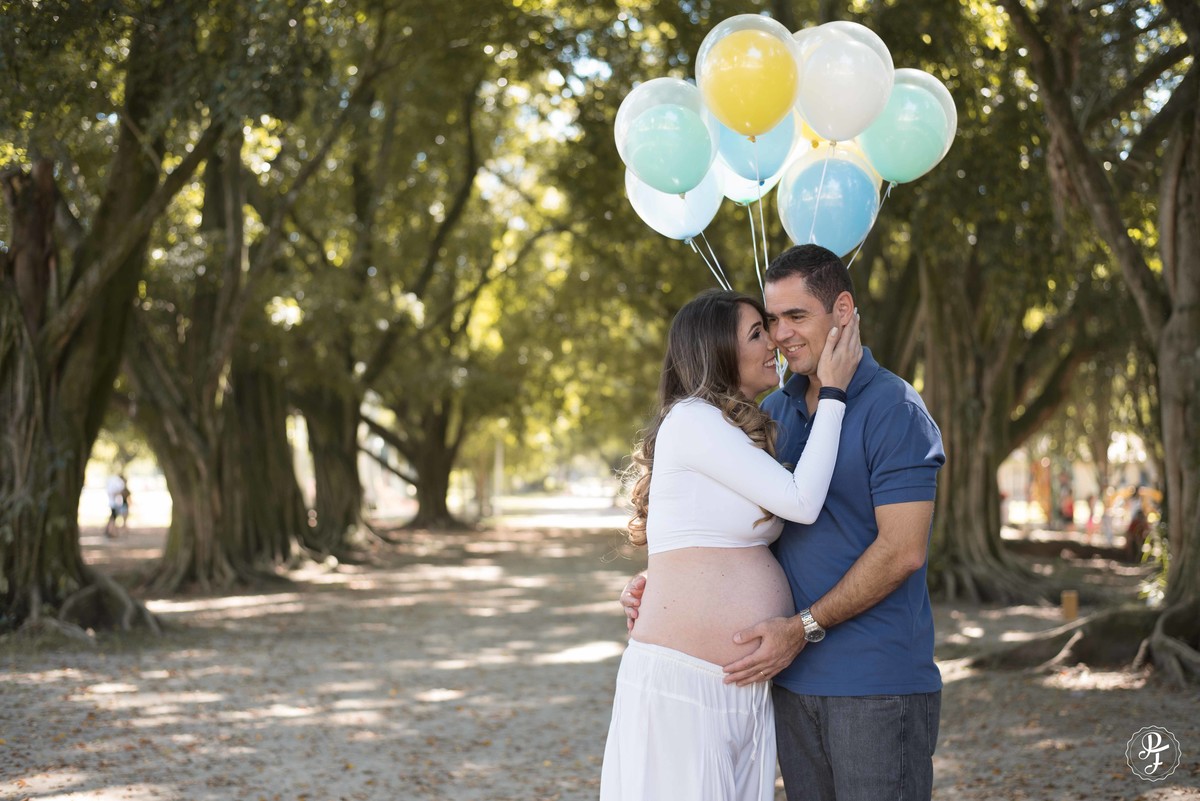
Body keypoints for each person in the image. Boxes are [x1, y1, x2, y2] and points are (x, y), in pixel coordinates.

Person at [622, 244, 946, 801]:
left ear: (842, 311)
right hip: (785, 682)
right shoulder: (771, 414)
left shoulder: (895, 408)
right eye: (770, 321)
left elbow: (903, 551)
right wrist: (668, 586)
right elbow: (732, 530)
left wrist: (803, 627)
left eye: (796, 316)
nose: (780, 335)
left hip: (872, 681)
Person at [599, 287, 862, 801]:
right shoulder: (693, 418)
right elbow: (802, 502)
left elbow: (705, 539)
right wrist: (834, 393)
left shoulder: (732, 427)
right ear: (718, 351)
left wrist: (661, 580)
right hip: (686, 690)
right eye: (758, 332)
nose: (776, 342)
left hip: (737, 689)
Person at [105, 470, 129, 538]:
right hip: (114, 504)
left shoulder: (114, 484)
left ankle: (112, 531)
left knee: (113, 518)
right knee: (113, 519)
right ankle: (111, 531)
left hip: (114, 504)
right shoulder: (118, 485)